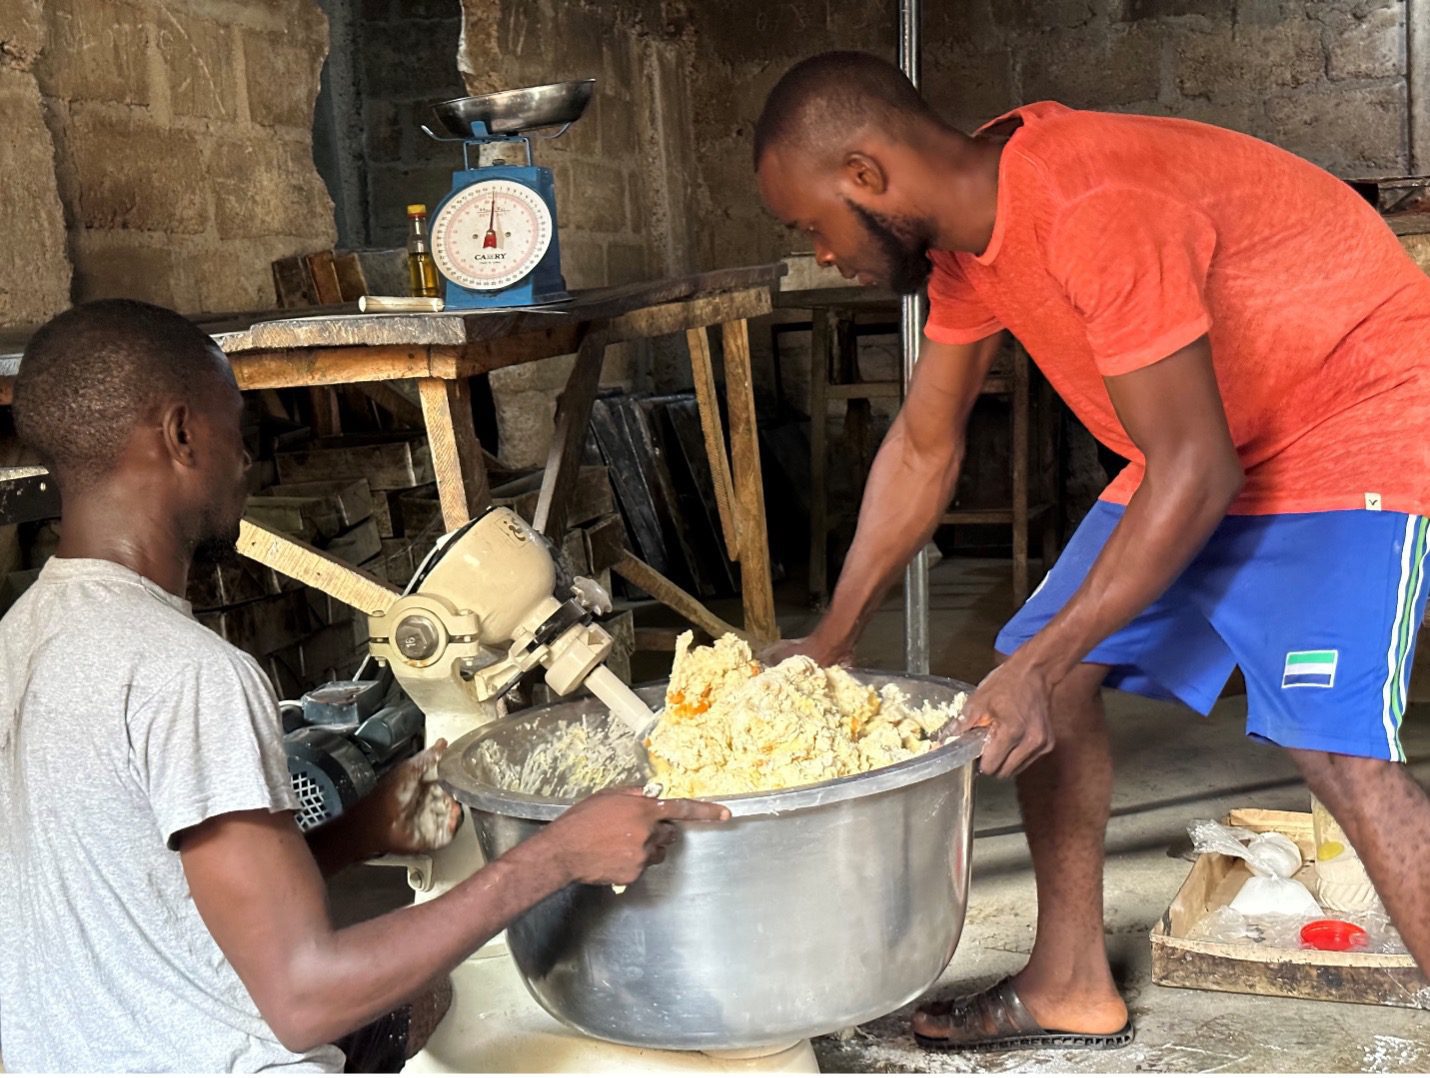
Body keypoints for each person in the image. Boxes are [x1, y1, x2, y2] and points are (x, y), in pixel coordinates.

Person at [754, 51, 1430, 1051]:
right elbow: (926, 442)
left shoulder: (1085, 204)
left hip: (1350, 406)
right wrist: (834, 632)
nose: (819, 254)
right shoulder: (968, 236)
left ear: (864, 175)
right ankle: (1068, 980)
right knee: (1047, 670)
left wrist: (1038, 661)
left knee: (1330, 745)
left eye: (811, 225)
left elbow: (1193, 473)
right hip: (1210, 433)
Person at [0, 299, 729, 1072]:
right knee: (471, 1005)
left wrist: (360, 833)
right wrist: (556, 855)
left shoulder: (22, 636)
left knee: (431, 998)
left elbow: (156, 898)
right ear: (181, 434)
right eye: (233, 430)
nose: (245, 461)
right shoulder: (188, 674)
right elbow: (307, 998)